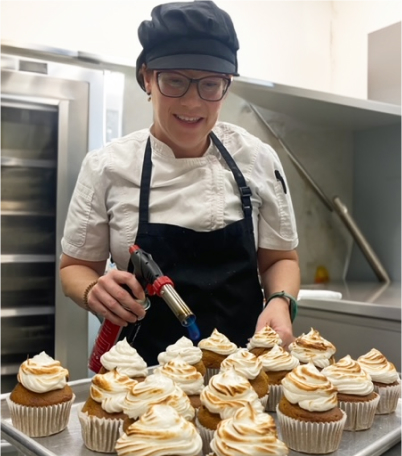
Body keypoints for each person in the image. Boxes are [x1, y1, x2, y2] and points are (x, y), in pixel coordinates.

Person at [60, 0, 300, 366]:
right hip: (138, 380)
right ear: (147, 78)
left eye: (210, 84)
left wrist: (280, 301)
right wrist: (94, 289)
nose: (192, 101)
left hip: (242, 376)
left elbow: (280, 258)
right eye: (175, 80)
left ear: (227, 86)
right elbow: (73, 268)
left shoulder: (258, 159)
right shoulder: (107, 167)